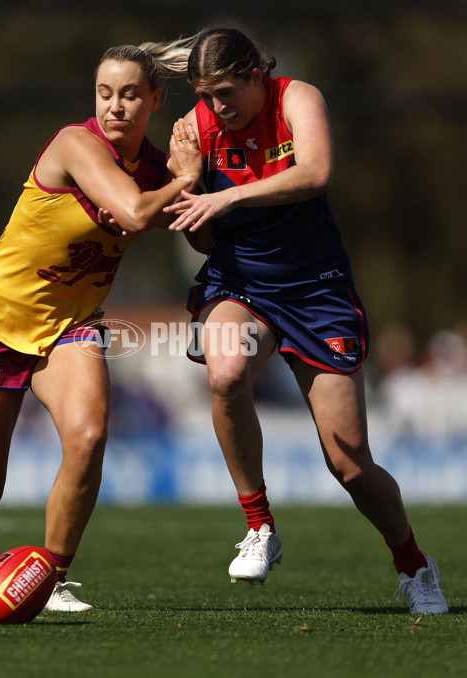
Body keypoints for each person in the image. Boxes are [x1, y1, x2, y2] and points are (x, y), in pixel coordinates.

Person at [0, 39, 202, 612]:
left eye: (131, 95)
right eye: (105, 93)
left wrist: (193, 186)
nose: (115, 107)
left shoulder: (155, 168)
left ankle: (51, 576)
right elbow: (133, 213)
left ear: (154, 99)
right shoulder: (74, 143)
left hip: (70, 326)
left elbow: (195, 231)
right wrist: (185, 179)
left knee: (88, 435)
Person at [163, 27, 448, 614]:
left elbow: (316, 173)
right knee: (226, 373)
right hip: (239, 283)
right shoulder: (196, 128)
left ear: (254, 74)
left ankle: (414, 565)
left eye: (224, 91)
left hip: (317, 291)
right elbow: (201, 238)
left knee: (349, 463)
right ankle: (260, 526)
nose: (215, 106)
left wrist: (227, 197)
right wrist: (190, 184)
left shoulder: (298, 98)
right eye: (204, 94)